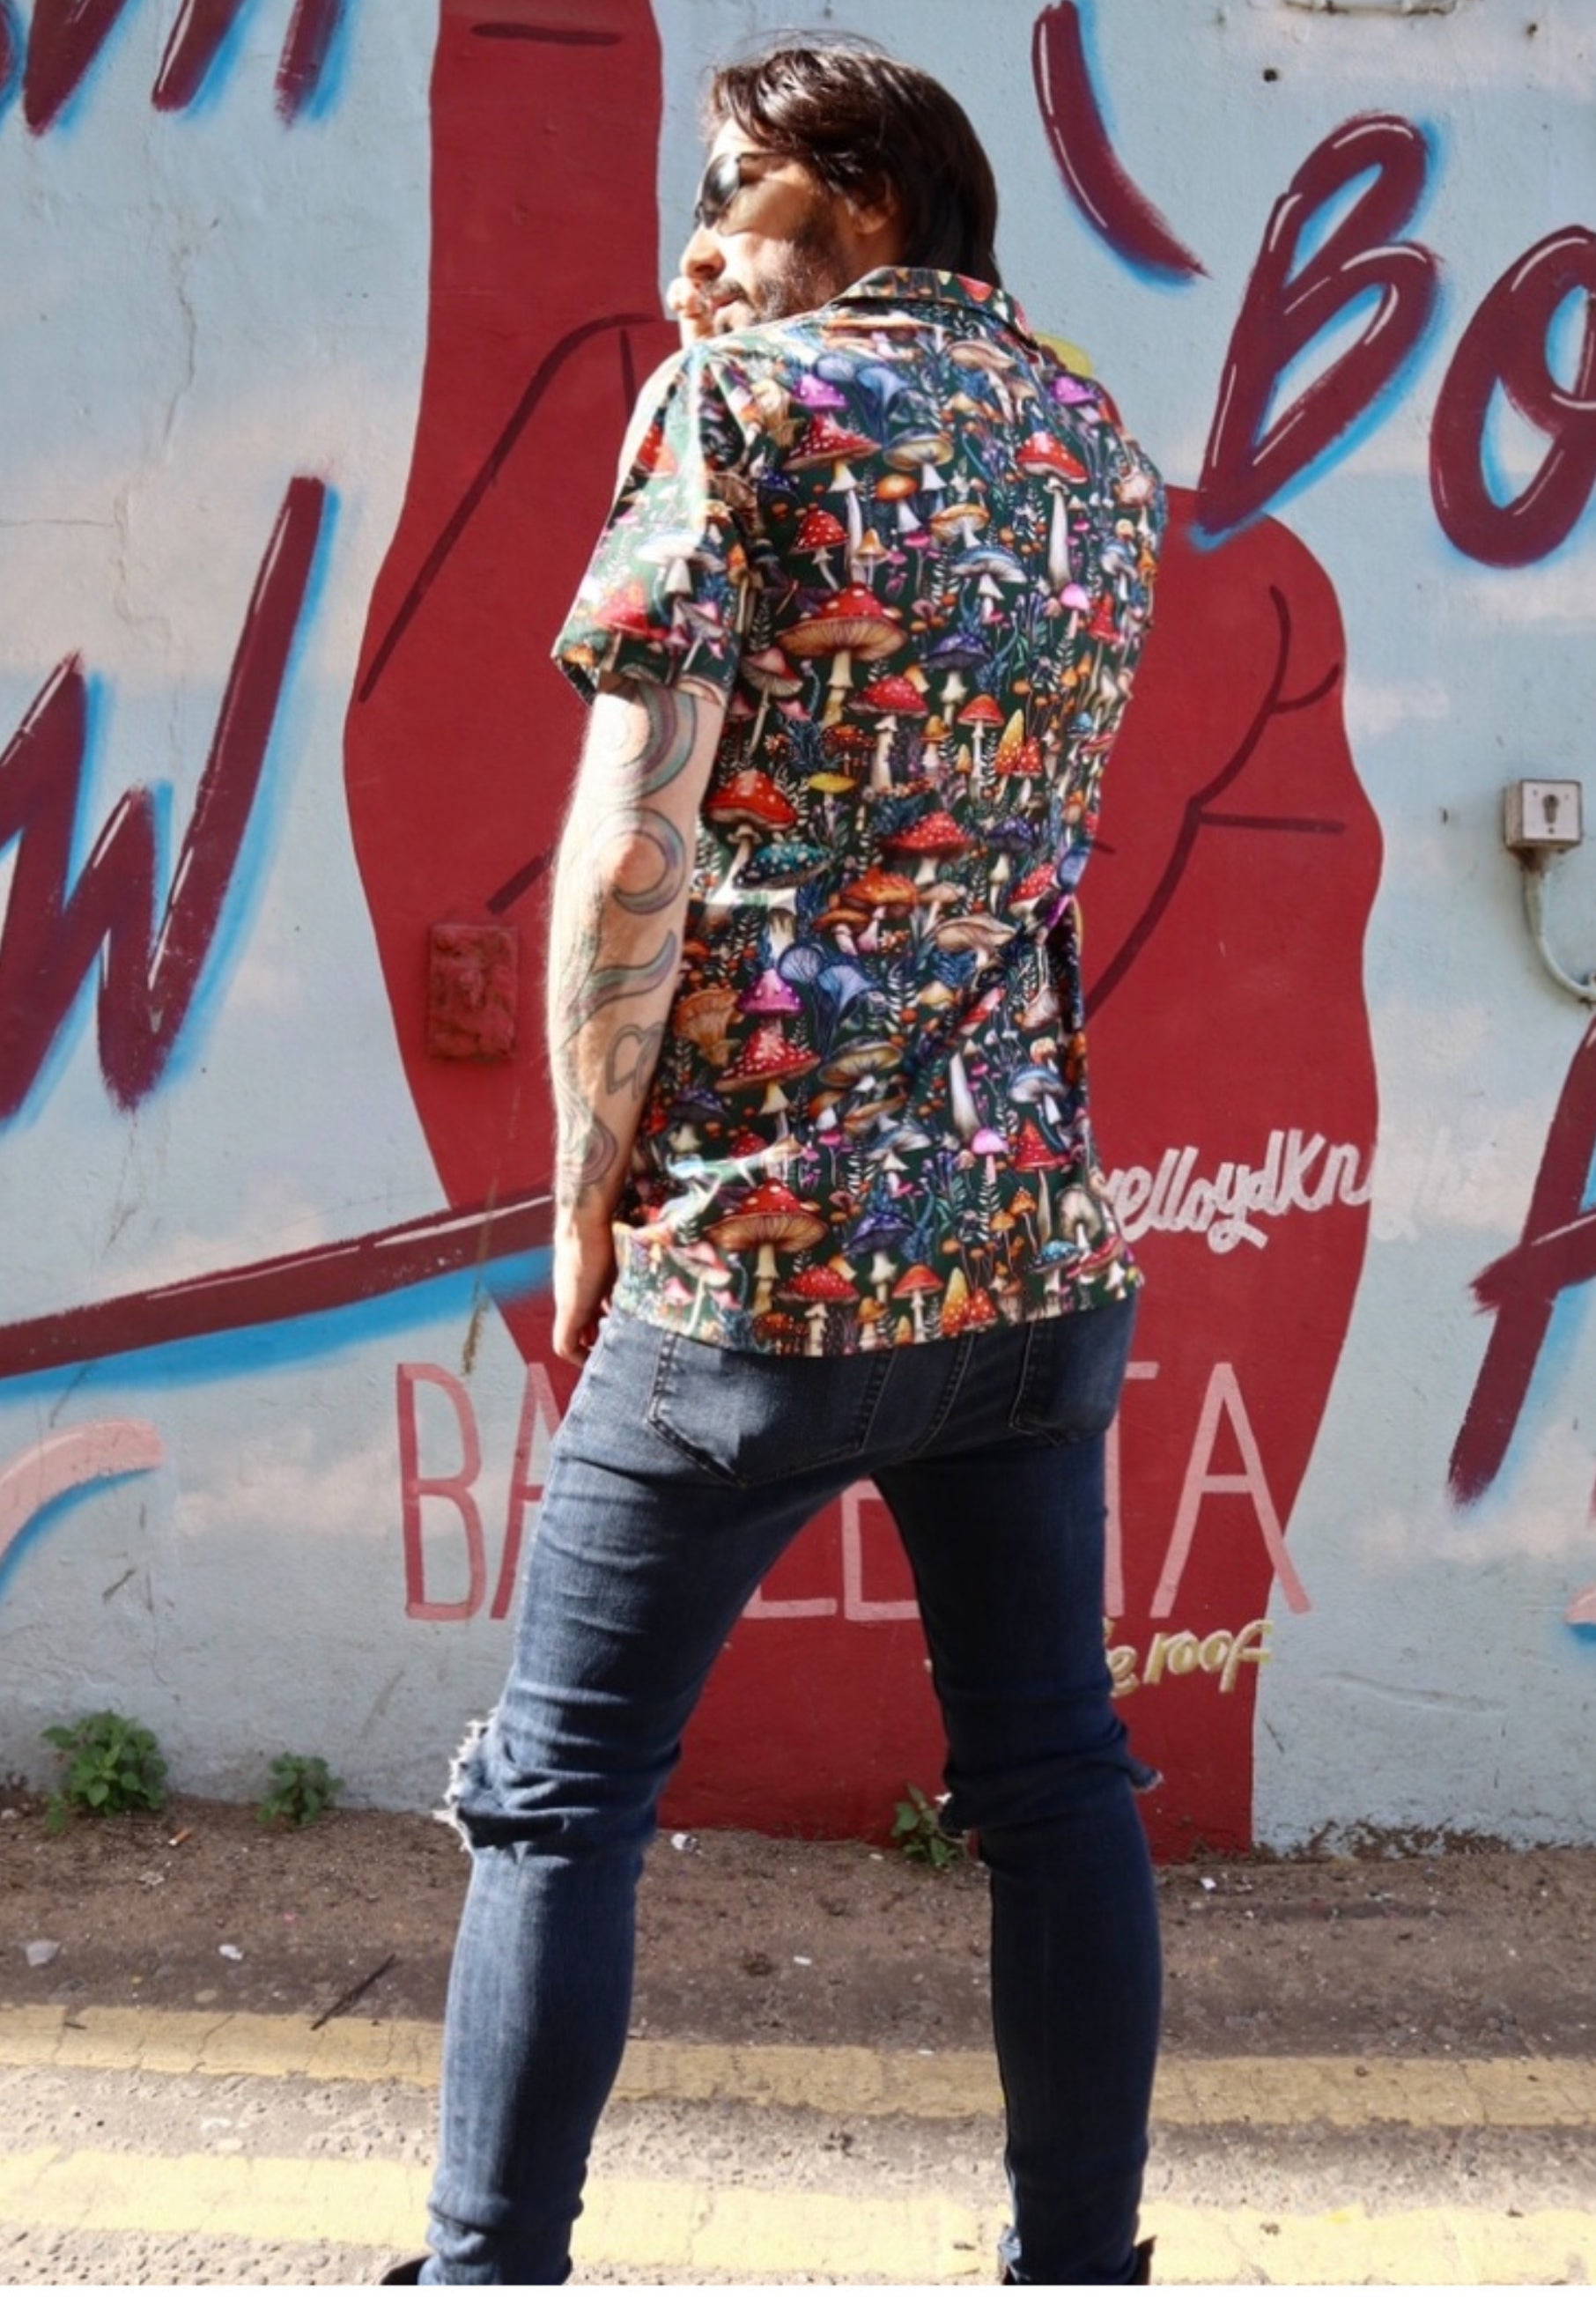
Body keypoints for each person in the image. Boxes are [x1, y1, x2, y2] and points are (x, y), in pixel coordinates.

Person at [393, 36, 1165, 2287]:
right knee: (1053, 1785)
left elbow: (634, 821)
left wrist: (579, 1181)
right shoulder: (1093, 440)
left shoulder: (738, 406)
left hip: (759, 1253)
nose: (691, 251)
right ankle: (1082, 2268)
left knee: (559, 1798)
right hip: (1023, 1253)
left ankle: (484, 2266)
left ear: (869, 200)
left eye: (729, 194)